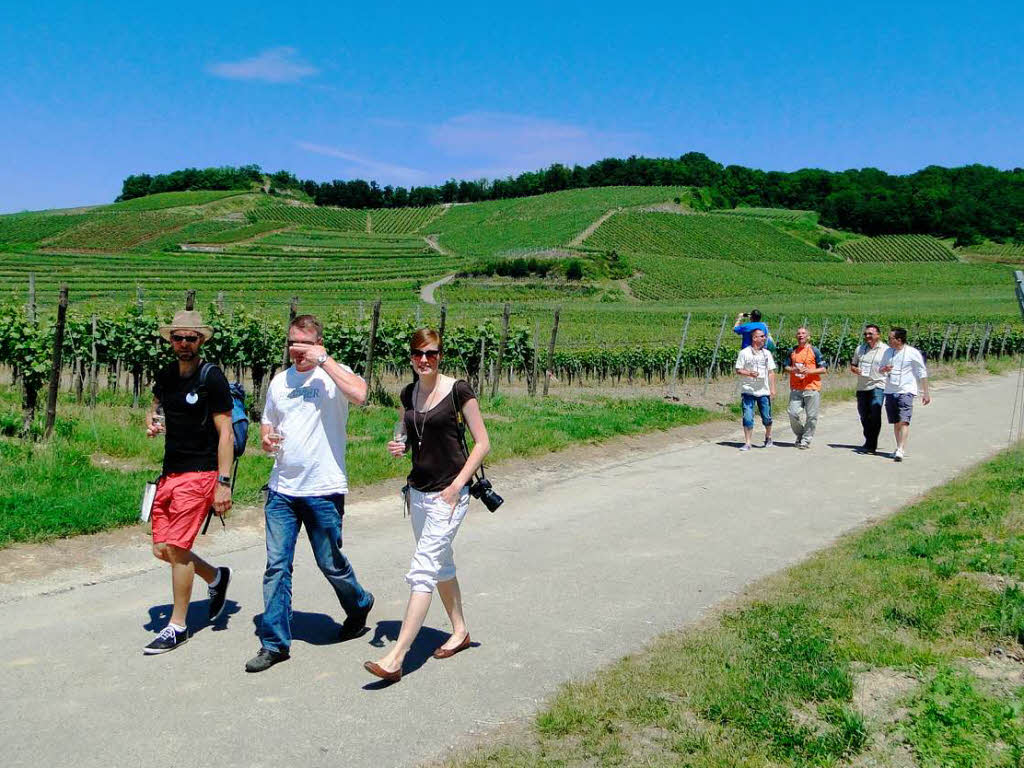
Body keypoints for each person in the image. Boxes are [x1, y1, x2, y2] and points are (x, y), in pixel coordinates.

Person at [245, 314, 375, 673]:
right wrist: (267, 439)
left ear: (318, 343)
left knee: (329, 562)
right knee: (276, 566)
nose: (295, 350)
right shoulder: (279, 382)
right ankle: (274, 643)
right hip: (282, 489)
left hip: (323, 488)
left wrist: (324, 361)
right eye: (291, 343)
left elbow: (361, 395)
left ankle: (359, 602)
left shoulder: (333, 375)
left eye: (303, 343)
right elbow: (268, 423)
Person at [364, 329, 491, 683]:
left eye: (431, 354)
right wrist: (400, 445)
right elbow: (410, 430)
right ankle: (460, 631)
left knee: (422, 569)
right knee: (440, 563)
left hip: (448, 495)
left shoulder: (458, 391)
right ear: (410, 357)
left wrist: (456, 486)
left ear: (440, 356)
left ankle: (396, 657)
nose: (424, 360)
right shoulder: (409, 393)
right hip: (417, 493)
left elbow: (482, 443)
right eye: (418, 354)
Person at [143, 310, 234, 655]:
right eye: (177, 338)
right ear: (170, 341)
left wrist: (222, 483)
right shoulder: (166, 375)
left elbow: (225, 431)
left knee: (178, 549)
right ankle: (215, 577)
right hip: (169, 472)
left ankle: (177, 626)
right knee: (161, 549)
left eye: (190, 338)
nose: (183, 344)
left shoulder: (211, 377)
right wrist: (151, 421)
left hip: (200, 473)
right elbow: (154, 405)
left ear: (201, 341)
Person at [879, 327, 930, 462]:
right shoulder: (887, 352)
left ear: (899, 340)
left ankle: (901, 448)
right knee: (896, 422)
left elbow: (922, 372)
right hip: (890, 390)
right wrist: (884, 369)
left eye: (890, 338)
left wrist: (926, 392)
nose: (888, 340)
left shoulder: (912, 353)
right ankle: (898, 447)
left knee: (904, 420)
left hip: (906, 390)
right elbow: (880, 369)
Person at [784, 326, 828, 449]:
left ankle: (806, 440)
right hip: (796, 387)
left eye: (803, 333)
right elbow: (785, 366)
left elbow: (824, 369)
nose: (800, 335)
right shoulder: (792, 351)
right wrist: (794, 369)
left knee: (812, 416)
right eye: (798, 333)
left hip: (812, 387)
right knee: (792, 412)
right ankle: (801, 434)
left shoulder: (815, 351)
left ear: (808, 336)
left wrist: (809, 371)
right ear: (796, 336)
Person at [848, 324, 889, 454]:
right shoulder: (860, 349)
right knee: (864, 415)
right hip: (862, 386)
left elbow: (892, 366)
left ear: (878, 335)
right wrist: (855, 370)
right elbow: (853, 365)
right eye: (866, 334)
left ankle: (872, 445)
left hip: (878, 385)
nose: (867, 336)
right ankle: (869, 439)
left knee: (875, 412)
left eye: (870, 334)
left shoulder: (886, 350)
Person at [734, 328, 776, 451]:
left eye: (764, 336)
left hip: (763, 391)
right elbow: (738, 370)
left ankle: (768, 436)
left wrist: (772, 389)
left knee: (767, 418)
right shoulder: (744, 353)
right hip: (748, 390)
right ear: (754, 338)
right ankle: (748, 442)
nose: (764, 338)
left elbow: (771, 372)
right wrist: (749, 373)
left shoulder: (767, 354)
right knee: (747, 417)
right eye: (762, 336)